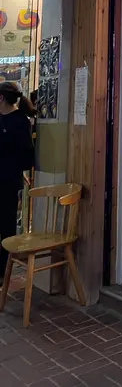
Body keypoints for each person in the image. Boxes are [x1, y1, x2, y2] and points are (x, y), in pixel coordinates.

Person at [0, 82, 35, 279]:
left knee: (6, 227)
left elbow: (27, 157)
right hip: (8, 177)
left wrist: (14, 168)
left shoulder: (20, 122)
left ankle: (3, 271)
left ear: (1, 98)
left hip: (7, 182)